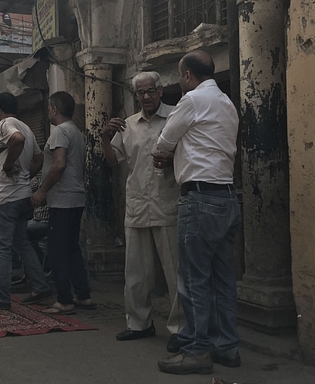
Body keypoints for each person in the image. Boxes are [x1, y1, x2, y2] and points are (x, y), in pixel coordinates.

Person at [155, 50, 240, 375]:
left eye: (180, 75)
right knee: (222, 279)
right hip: (226, 198)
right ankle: (227, 347)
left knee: (193, 279)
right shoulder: (227, 103)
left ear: (188, 75)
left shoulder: (191, 101)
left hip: (200, 199)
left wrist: (166, 155)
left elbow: (163, 142)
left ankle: (197, 350)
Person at [101, 72, 184, 344]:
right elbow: (114, 161)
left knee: (175, 272)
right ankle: (138, 324)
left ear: (160, 91)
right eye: (141, 93)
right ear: (135, 96)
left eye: (151, 91)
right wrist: (105, 137)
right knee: (136, 272)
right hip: (137, 204)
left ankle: (181, 330)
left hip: (167, 202)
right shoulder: (128, 126)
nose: (146, 97)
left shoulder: (176, 117)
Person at [0, 92, 51, 310]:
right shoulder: (26, 126)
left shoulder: (7, 124)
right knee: (21, 243)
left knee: (0, 247)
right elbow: (39, 158)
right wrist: (26, 176)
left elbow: (17, 140)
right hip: (22, 197)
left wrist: (8, 166)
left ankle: (1, 297)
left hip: (5, 198)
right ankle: (40, 286)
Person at [31, 91, 92, 315]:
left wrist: (42, 191)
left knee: (56, 250)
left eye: (49, 108)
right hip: (74, 197)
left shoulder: (60, 132)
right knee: (71, 248)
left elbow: (59, 164)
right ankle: (83, 295)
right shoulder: (75, 131)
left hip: (64, 199)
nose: (48, 112)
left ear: (54, 109)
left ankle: (64, 299)